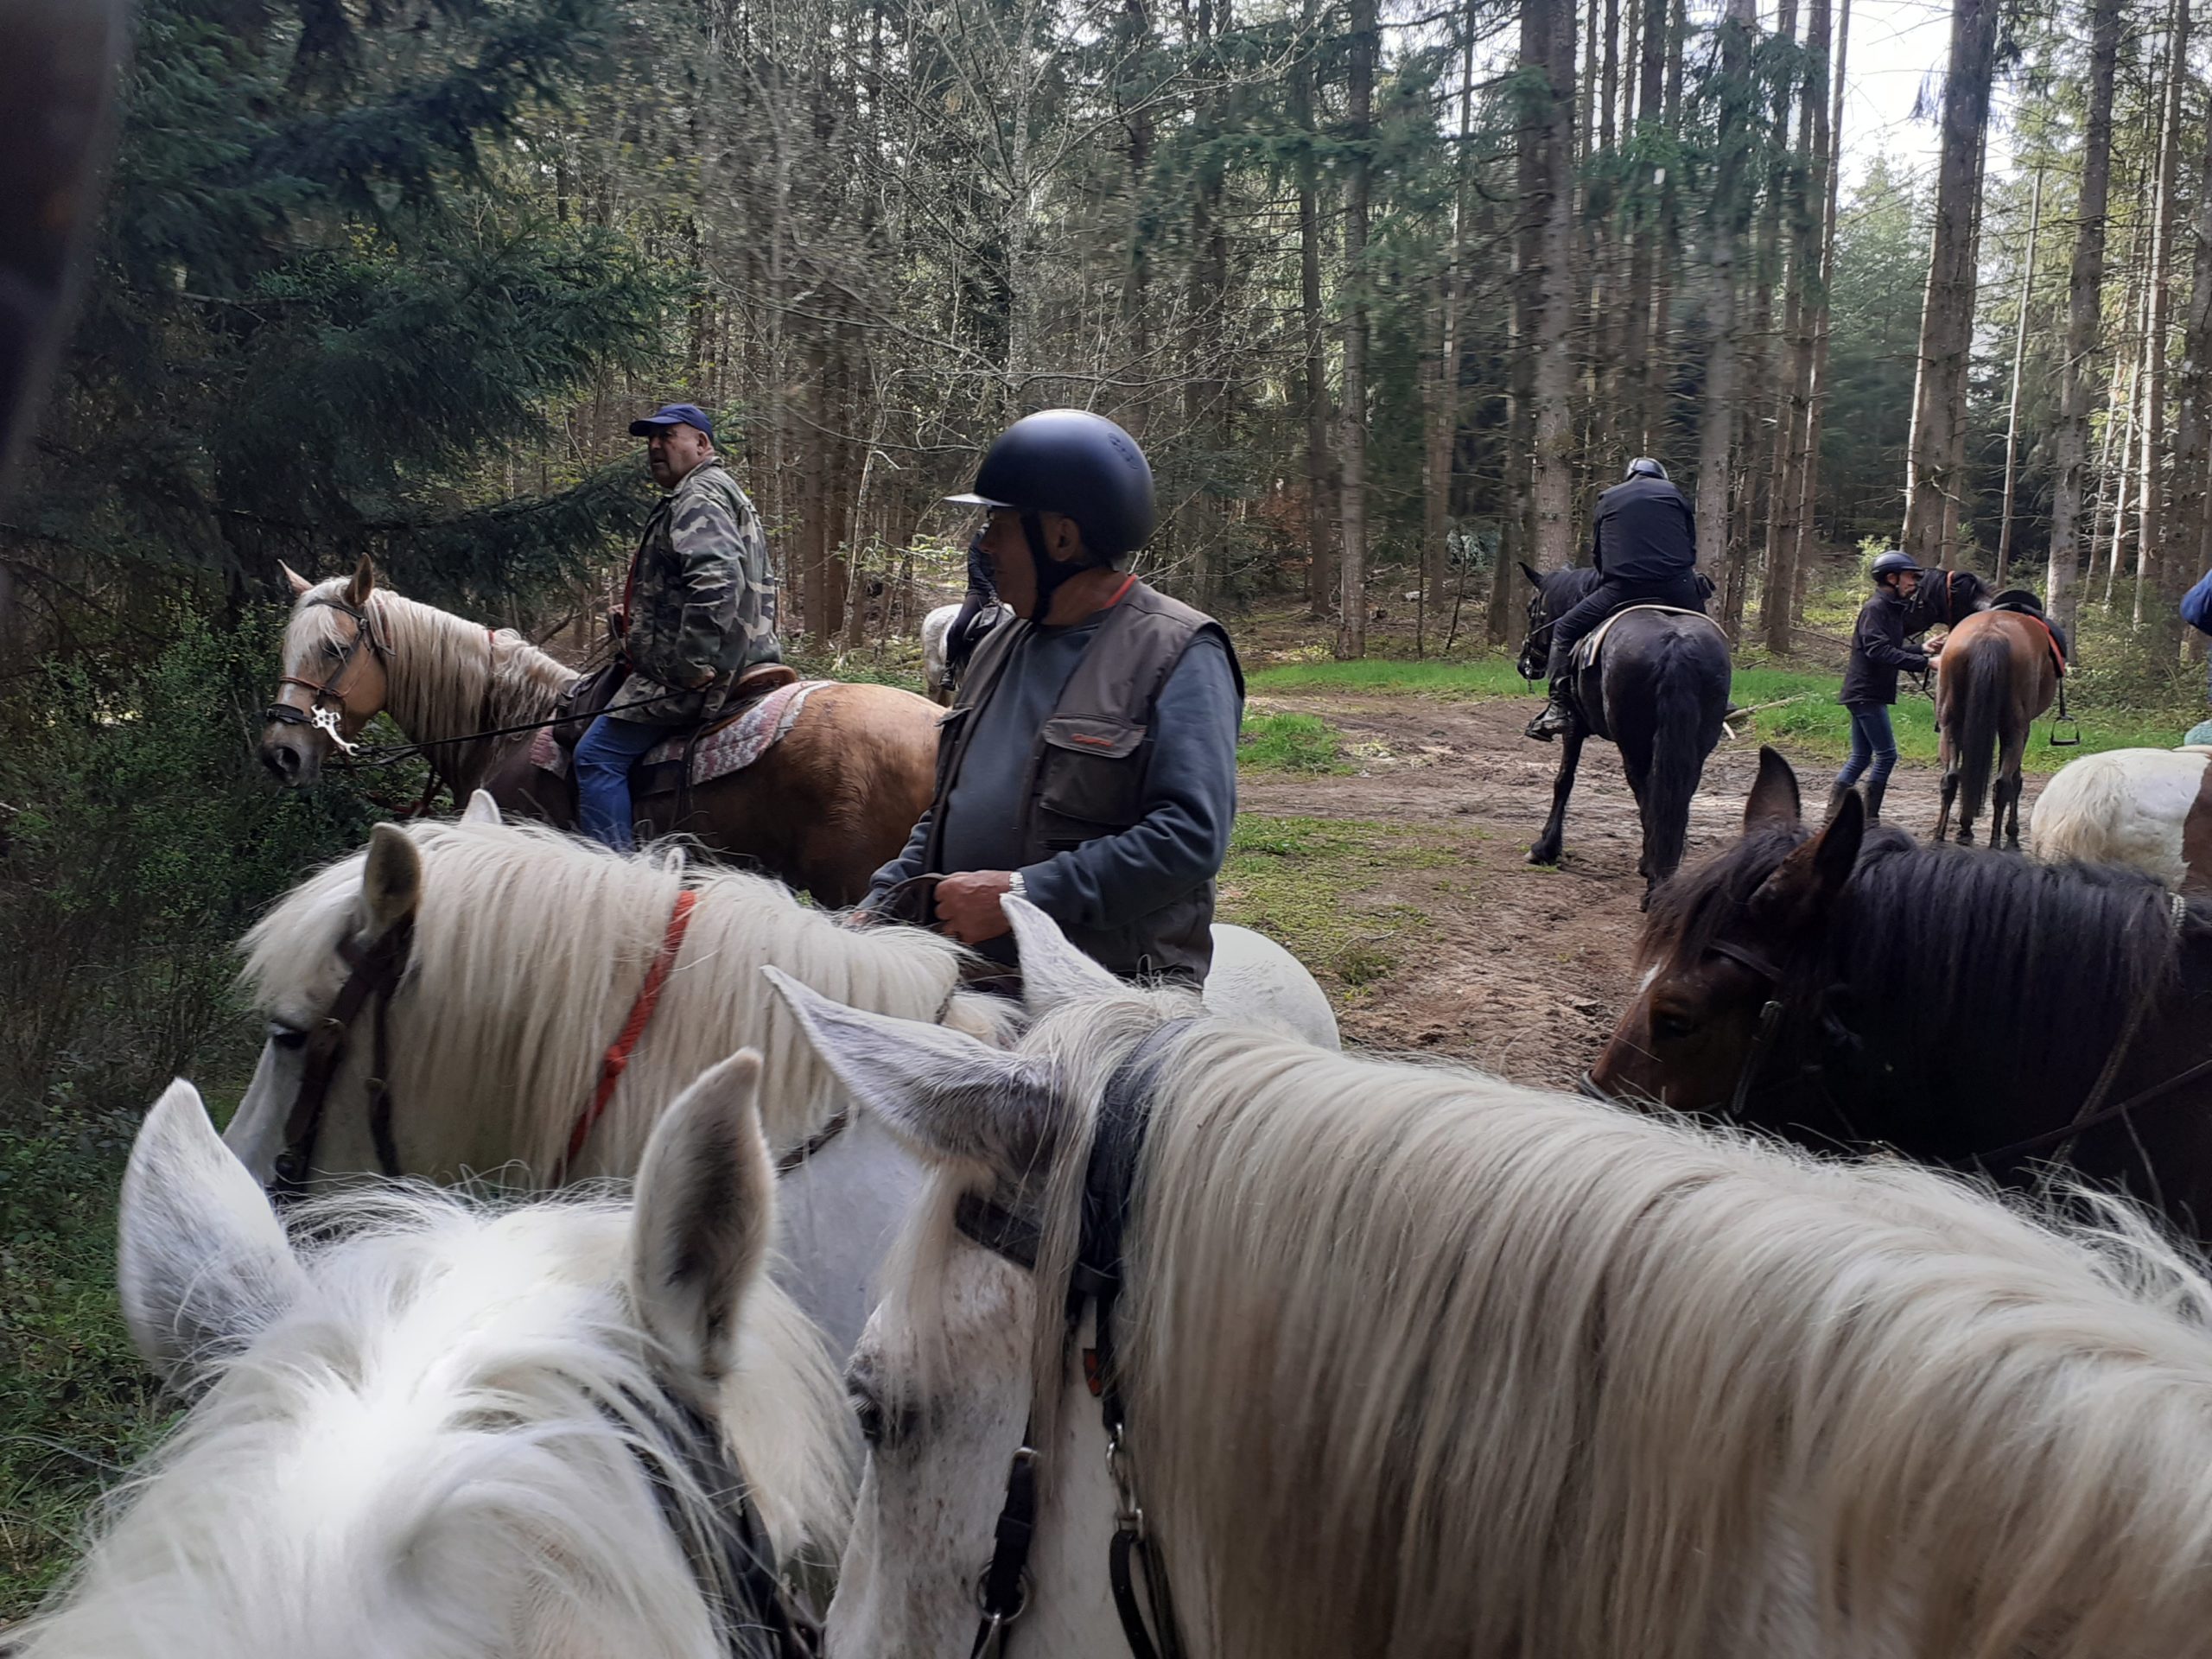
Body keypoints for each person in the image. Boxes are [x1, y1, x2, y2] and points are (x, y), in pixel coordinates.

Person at [857, 409, 1243, 985]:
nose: (984, 546)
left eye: (999, 526)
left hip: (1110, 990)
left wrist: (1025, 894)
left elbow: (1189, 837)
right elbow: (949, 809)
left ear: (1061, 538)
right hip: (973, 974)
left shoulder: (1179, 651)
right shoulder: (998, 643)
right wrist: (885, 897)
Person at [575, 402, 779, 852]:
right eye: (651, 438)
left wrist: (691, 664)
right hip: (746, 653)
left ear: (702, 443)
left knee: (596, 757)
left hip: (707, 669)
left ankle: (615, 877)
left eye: (667, 436)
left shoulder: (697, 495)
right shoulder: (720, 489)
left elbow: (717, 581)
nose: (654, 446)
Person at [1525, 457, 1707, 741]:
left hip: (1623, 588)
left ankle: (1558, 708)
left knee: (1564, 629)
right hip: (1677, 586)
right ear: (1660, 476)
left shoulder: (1609, 498)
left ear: (1630, 475)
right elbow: (1690, 544)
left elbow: (1599, 553)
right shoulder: (1674, 494)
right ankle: (1718, 699)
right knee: (1707, 632)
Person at [1831, 550, 1942, 822]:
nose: (1914, 582)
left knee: (1861, 757)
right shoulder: (1875, 609)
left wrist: (1923, 649)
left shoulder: (1889, 609)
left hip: (1867, 693)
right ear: (1892, 578)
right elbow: (1878, 651)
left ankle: (1832, 817)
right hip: (1866, 693)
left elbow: (1891, 648)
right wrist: (1927, 663)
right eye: (1910, 577)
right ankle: (1869, 821)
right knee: (1887, 756)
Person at [943, 525, 1001, 681]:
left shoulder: (1014, 538)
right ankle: (950, 667)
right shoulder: (981, 536)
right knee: (960, 625)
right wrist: (990, 591)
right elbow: (973, 566)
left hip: (1007, 592)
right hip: (980, 592)